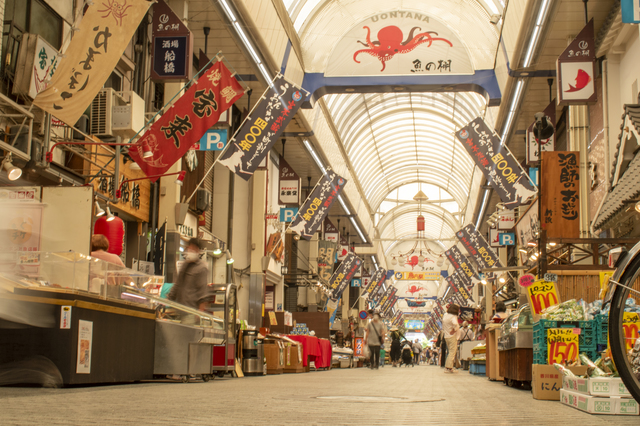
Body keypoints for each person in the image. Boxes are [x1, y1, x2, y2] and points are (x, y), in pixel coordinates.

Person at [168, 238, 209, 314]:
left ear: (198, 251)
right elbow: (177, 285)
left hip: (191, 313)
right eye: (189, 248)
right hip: (179, 310)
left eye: (193, 249)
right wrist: (168, 300)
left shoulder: (201, 268)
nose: (190, 251)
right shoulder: (185, 265)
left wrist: (199, 314)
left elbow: (203, 294)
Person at [443, 303, 460, 373]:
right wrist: (454, 330)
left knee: (450, 352)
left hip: (446, 336)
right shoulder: (453, 316)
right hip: (452, 336)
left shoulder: (445, 315)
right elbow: (455, 324)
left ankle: (448, 367)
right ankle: (449, 367)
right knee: (452, 352)